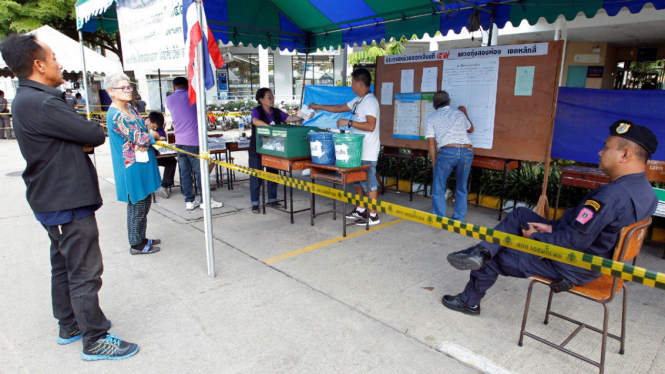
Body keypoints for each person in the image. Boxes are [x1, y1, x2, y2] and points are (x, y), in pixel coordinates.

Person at [0, 33, 138, 360]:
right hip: (66, 201)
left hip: (52, 198)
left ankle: (69, 325)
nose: (59, 63)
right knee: (84, 271)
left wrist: (76, 141)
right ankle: (95, 338)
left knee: (63, 265)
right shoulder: (44, 101)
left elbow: (76, 139)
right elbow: (92, 134)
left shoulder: (26, 99)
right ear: (38, 64)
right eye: (53, 57)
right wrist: (80, 140)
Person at [441, 120, 658, 316]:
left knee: (496, 257)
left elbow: (574, 241)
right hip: (596, 259)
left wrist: (536, 238)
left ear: (625, 155)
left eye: (606, 147)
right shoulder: (647, 192)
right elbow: (592, 230)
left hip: (571, 265)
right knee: (520, 215)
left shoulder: (611, 196)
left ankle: (470, 299)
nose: (601, 152)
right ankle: (482, 250)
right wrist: (550, 228)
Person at [309, 68, 382, 225]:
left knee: (368, 182)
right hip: (357, 150)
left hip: (368, 150)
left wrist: (348, 123)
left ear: (360, 83)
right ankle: (361, 208)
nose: (351, 86)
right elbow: (339, 108)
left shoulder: (370, 102)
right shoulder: (358, 100)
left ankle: (373, 215)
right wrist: (318, 107)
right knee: (357, 180)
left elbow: (371, 126)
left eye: (353, 82)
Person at [105, 73, 163, 255]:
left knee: (144, 203)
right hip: (131, 166)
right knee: (137, 204)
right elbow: (142, 136)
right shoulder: (116, 115)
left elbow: (144, 130)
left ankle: (141, 237)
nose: (127, 90)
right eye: (122, 88)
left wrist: (147, 136)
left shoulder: (130, 108)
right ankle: (135, 244)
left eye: (128, 87)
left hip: (142, 162)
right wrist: (153, 136)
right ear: (110, 92)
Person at [166, 77, 223, 210]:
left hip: (179, 141)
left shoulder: (169, 99)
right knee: (200, 172)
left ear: (174, 87)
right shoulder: (194, 96)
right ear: (187, 85)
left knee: (185, 173)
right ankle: (205, 201)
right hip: (194, 141)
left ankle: (189, 201)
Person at [250, 88, 306, 214]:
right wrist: (270, 128)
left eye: (272, 97)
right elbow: (255, 121)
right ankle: (255, 203)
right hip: (257, 148)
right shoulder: (256, 110)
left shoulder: (276, 111)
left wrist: (303, 117)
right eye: (269, 97)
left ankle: (272, 199)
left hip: (273, 148)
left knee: (273, 174)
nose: (272, 99)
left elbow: (288, 119)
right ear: (261, 100)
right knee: (256, 176)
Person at [426, 91, 474, 221]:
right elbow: (471, 129)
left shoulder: (431, 118)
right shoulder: (459, 114)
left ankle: (440, 218)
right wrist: (465, 112)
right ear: (449, 101)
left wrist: (434, 162)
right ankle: (458, 218)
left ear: (434, 104)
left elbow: (431, 143)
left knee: (438, 187)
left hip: (447, 152)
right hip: (466, 152)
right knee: (462, 187)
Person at [145, 111, 177, 198]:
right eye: (154, 126)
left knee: (172, 161)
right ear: (148, 120)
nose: (155, 128)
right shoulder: (140, 124)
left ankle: (164, 185)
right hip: (145, 155)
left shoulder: (158, 127)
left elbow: (162, 135)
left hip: (158, 153)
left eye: (157, 127)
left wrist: (157, 136)